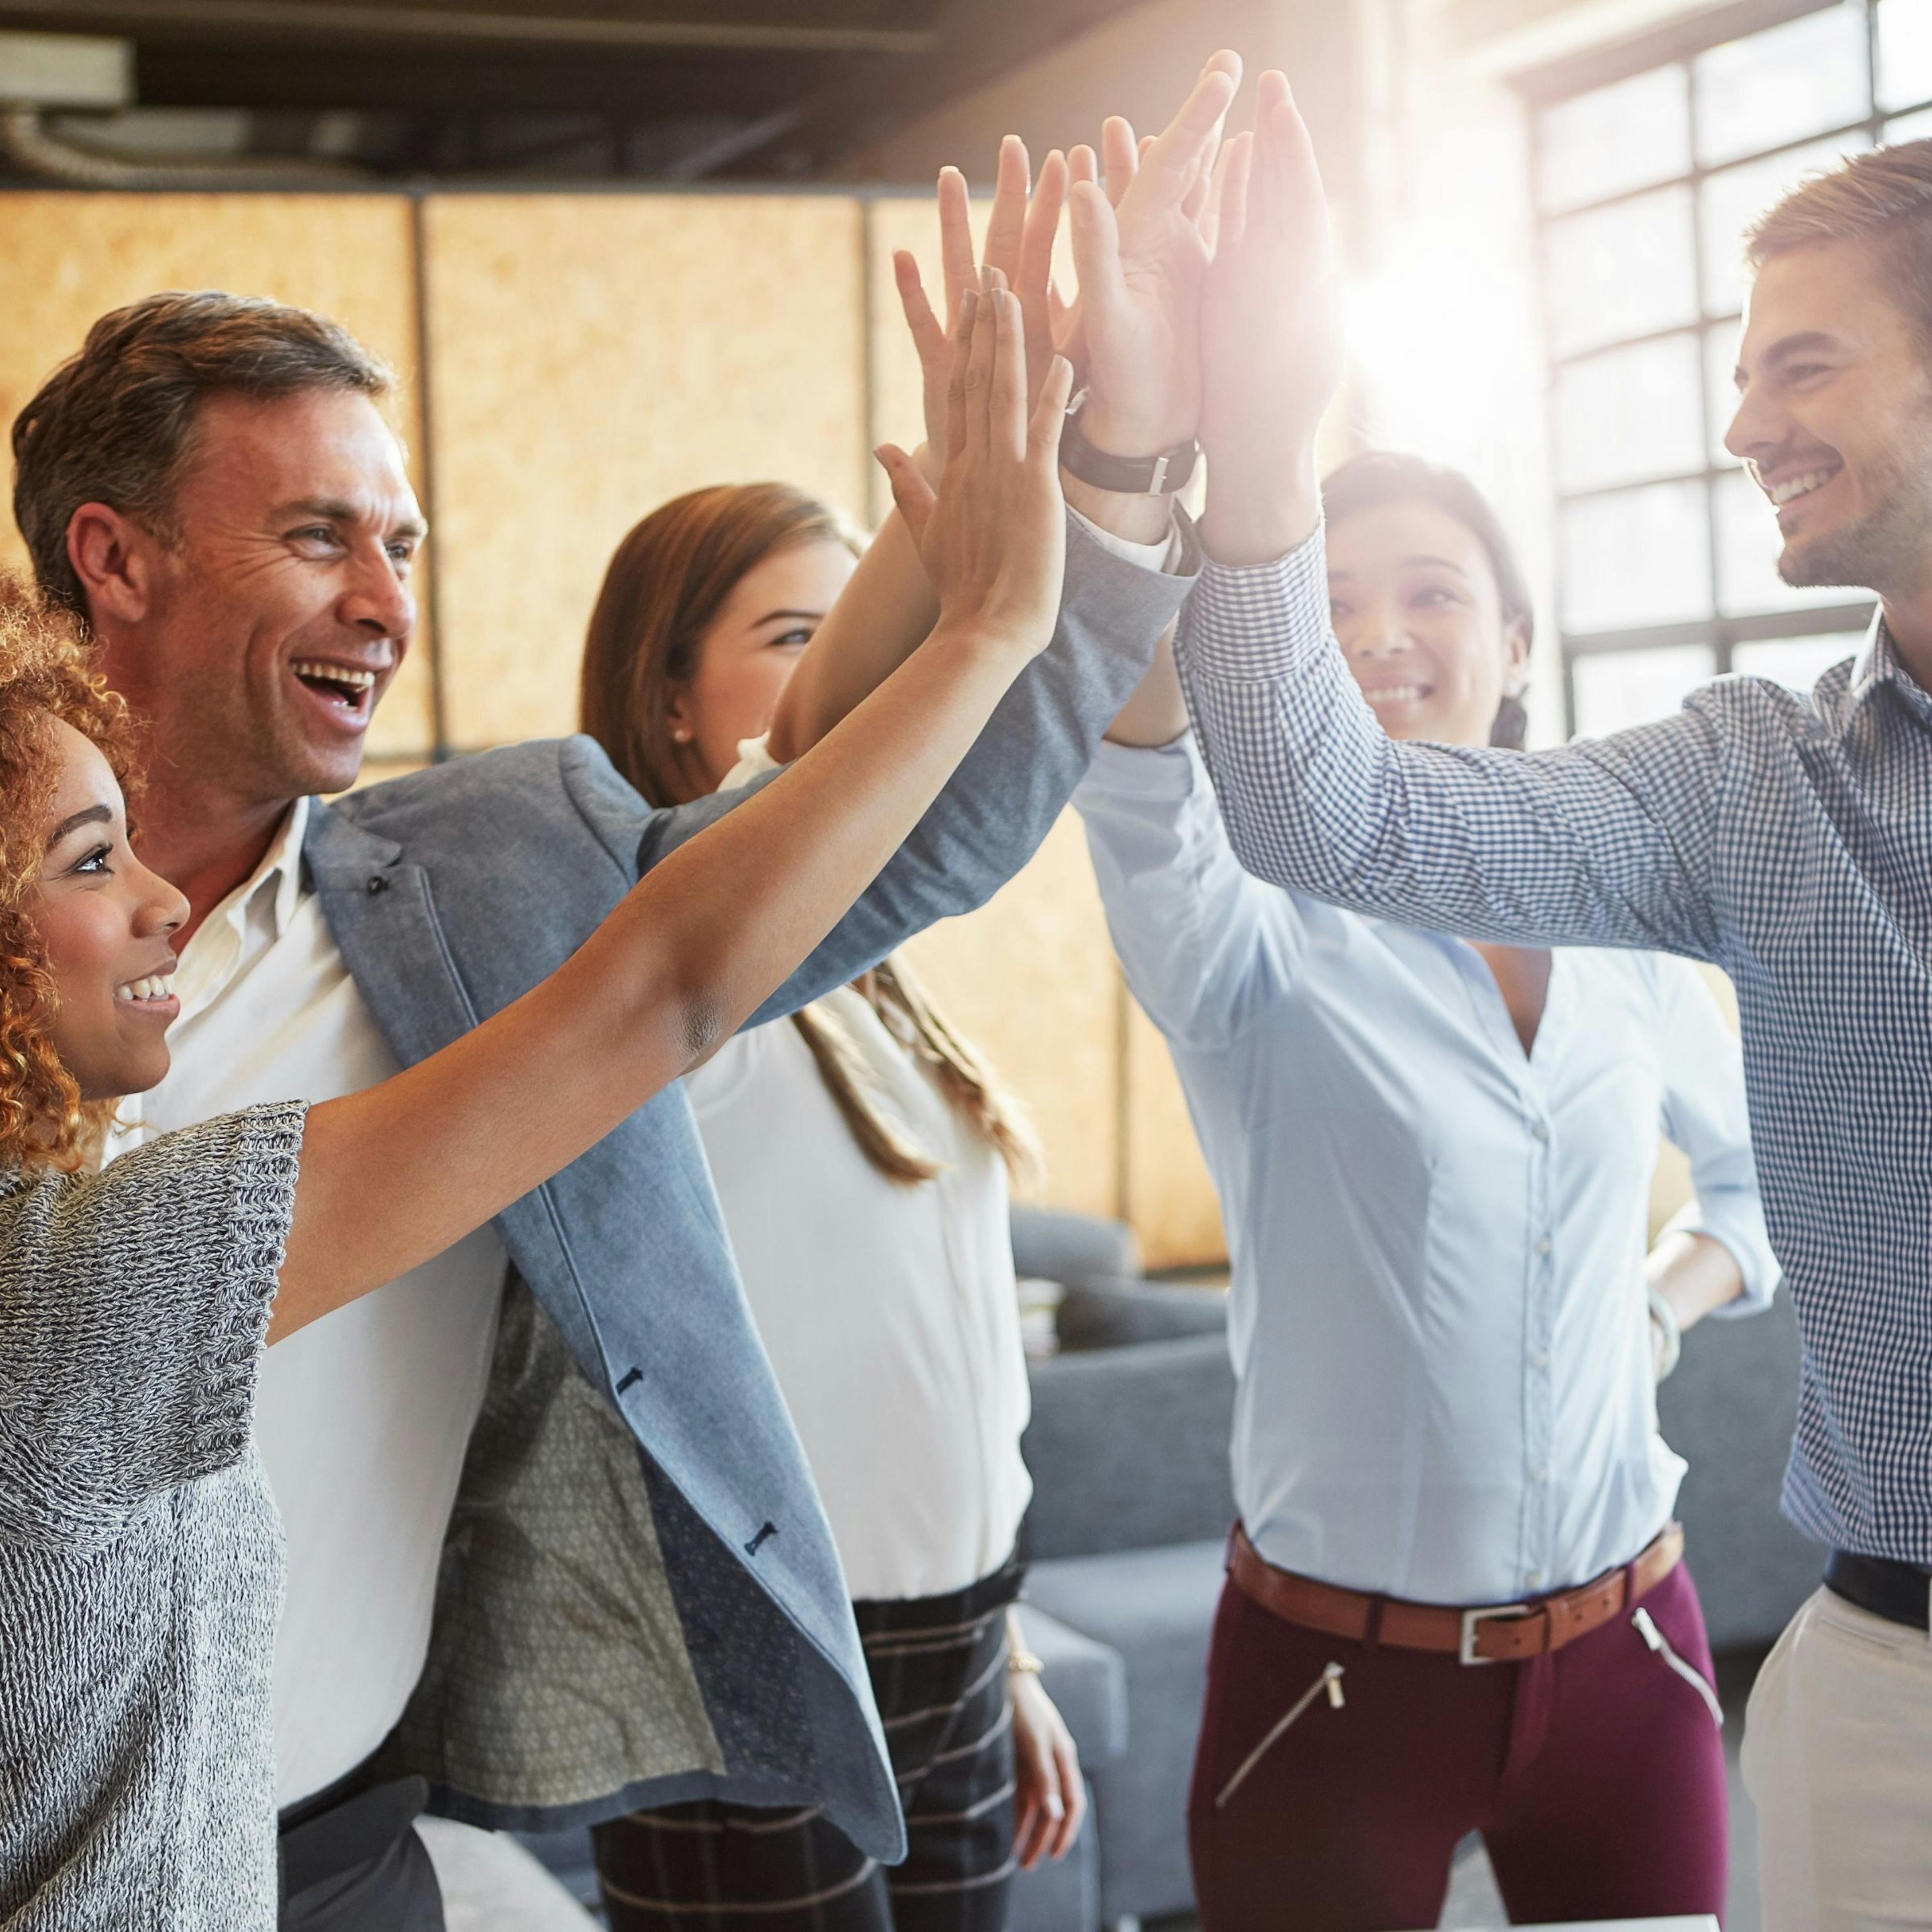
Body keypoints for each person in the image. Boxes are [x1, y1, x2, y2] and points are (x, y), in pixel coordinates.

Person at [5, 59, 1232, 1927]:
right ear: (117, 557)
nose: (384, 602)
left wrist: (1110, 475)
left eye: (401, 545)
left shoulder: (498, 878)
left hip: (346, 1856)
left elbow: (871, 844)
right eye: (321, 535)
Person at [1151, 79, 1932, 1932]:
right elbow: (1316, 807)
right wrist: (1256, 430)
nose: (1746, 424)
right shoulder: (1751, 783)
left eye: (1804, 367)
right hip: (1897, 1678)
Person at [1072, 448, 1775, 1928]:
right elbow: (1143, 790)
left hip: (1628, 1652)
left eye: (1430, 592)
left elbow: (1748, 1178)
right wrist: (1150, 489)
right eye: (1325, 606)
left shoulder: (1626, 923)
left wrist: (1661, 1301)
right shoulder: (1253, 934)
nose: (1380, 632)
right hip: (1336, 1690)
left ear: (1514, 643)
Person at [575, 479, 1083, 1930]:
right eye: (800, 632)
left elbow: (949, 1359)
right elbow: (799, 768)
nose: (853, 672)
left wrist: (1012, 1650)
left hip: (958, 1641)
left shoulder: (877, 972)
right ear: (674, 700)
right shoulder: (647, 948)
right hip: (752, 1661)